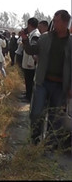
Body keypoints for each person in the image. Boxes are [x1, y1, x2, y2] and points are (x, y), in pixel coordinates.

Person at [21, 10, 72, 149]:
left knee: (55, 116)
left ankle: (49, 144)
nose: (53, 24)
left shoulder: (70, 43)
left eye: (56, 21)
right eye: (53, 21)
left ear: (65, 23)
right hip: (43, 82)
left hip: (60, 85)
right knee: (36, 112)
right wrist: (25, 40)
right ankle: (35, 139)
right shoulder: (45, 38)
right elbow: (32, 51)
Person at [21, 18, 41, 103]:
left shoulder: (35, 35)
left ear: (29, 25)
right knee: (28, 80)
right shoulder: (32, 34)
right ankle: (27, 94)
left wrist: (30, 62)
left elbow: (33, 51)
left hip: (30, 63)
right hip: (29, 61)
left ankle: (29, 97)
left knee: (29, 80)